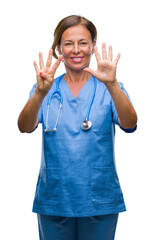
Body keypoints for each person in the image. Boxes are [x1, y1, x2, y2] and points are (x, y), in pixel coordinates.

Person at [18, 15, 137, 240]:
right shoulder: (45, 88)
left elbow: (130, 123)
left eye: (83, 43)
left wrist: (112, 84)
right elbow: (24, 126)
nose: (76, 50)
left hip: (98, 198)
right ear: (58, 49)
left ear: (93, 46)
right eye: (68, 43)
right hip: (55, 196)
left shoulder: (110, 88)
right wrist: (40, 94)